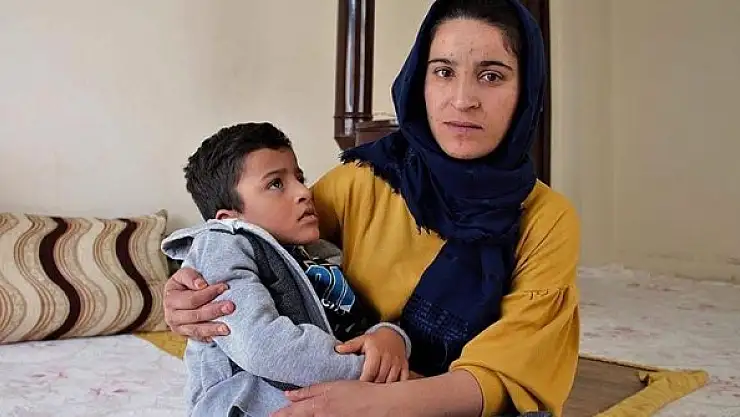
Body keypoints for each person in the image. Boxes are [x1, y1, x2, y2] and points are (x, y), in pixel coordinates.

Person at [162, 0, 580, 416]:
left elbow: (510, 377)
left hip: (410, 396)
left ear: (526, 91)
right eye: (443, 71)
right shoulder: (363, 181)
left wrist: (382, 400)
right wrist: (189, 293)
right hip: (346, 386)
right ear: (419, 80)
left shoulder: (545, 219)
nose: (462, 99)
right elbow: (253, 239)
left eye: (492, 76)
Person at [162, 122, 412, 417]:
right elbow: (262, 346)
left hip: (329, 398)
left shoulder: (315, 253)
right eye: (276, 184)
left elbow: (354, 321)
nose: (305, 192)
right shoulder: (222, 244)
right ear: (230, 218)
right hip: (245, 407)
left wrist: (390, 336)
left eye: (300, 177)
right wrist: (372, 376)